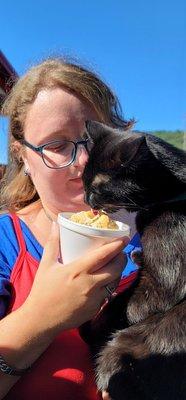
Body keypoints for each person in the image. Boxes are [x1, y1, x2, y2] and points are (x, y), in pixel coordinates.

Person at [0, 57, 140, 400]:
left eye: (97, 138)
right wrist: (41, 317)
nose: (83, 162)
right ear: (24, 157)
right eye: (56, 146)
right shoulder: (6, 243)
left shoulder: (160, 233)